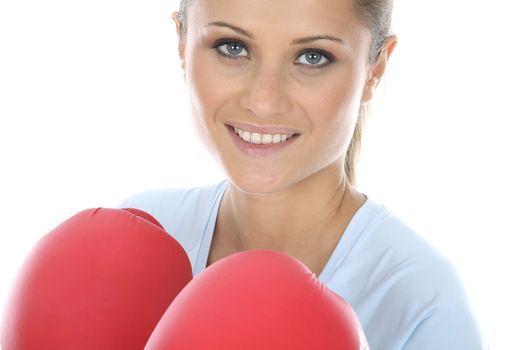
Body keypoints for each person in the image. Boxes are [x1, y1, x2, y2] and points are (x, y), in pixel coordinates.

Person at [120, 0, 487, 348]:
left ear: (375, 70)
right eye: (232, 47)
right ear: (182, 45)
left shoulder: (422, 304)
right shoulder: (142, 235)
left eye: (313, 57)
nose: (264, 101)